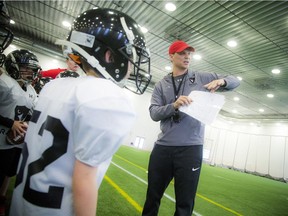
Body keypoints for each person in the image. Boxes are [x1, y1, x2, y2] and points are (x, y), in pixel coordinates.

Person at [10, 7, 151, 216]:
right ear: (109, 55)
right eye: (129, 57)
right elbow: (84, 181)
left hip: (21, 205)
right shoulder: (107, 97)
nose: (131, 66)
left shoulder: (54, 86)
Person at [142, 40, 240, 216]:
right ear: (171, 56)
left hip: (191, 149)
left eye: (189, 54)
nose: (187, 56)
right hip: (163, 149)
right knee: (152, 197)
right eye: (182, 53)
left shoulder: (201, 77)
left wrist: (223, 81)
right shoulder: (161, 85)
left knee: (184, 204)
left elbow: (236, 81)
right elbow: (154, 113)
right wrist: (173, 106)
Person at [0, 48, 41, 216]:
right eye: (26, 68)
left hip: (12, 142)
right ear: (13, 66)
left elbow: (31, 112)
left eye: (32, 69)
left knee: (7, 172)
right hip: (2, 136)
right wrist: (11, 123)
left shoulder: (30, 90)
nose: (30, 72)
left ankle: (1, 197)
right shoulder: (4, 83)